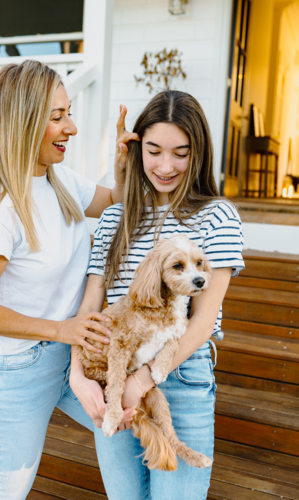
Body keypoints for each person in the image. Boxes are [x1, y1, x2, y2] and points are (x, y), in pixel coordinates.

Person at [0, 60, 137, 500]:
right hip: (19, 367)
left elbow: (115, 201)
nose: (71, 126)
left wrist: (121, 168)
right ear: (22, 120)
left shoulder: (58, 180)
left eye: (68, 112)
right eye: (56, 117)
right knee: (6, 492)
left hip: (71, 355)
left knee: (128, 425)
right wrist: (61, 329)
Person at [70, 90, 245, 500]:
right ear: (136, 148)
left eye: (180, 153)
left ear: (197, 152)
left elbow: (203, 321)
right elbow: (91, 306)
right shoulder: (115, 216)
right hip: (111, 369)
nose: (166, 167)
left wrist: (142, 381)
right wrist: (78, 376)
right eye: (153, 151)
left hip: (179, 374)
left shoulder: (217, 215)